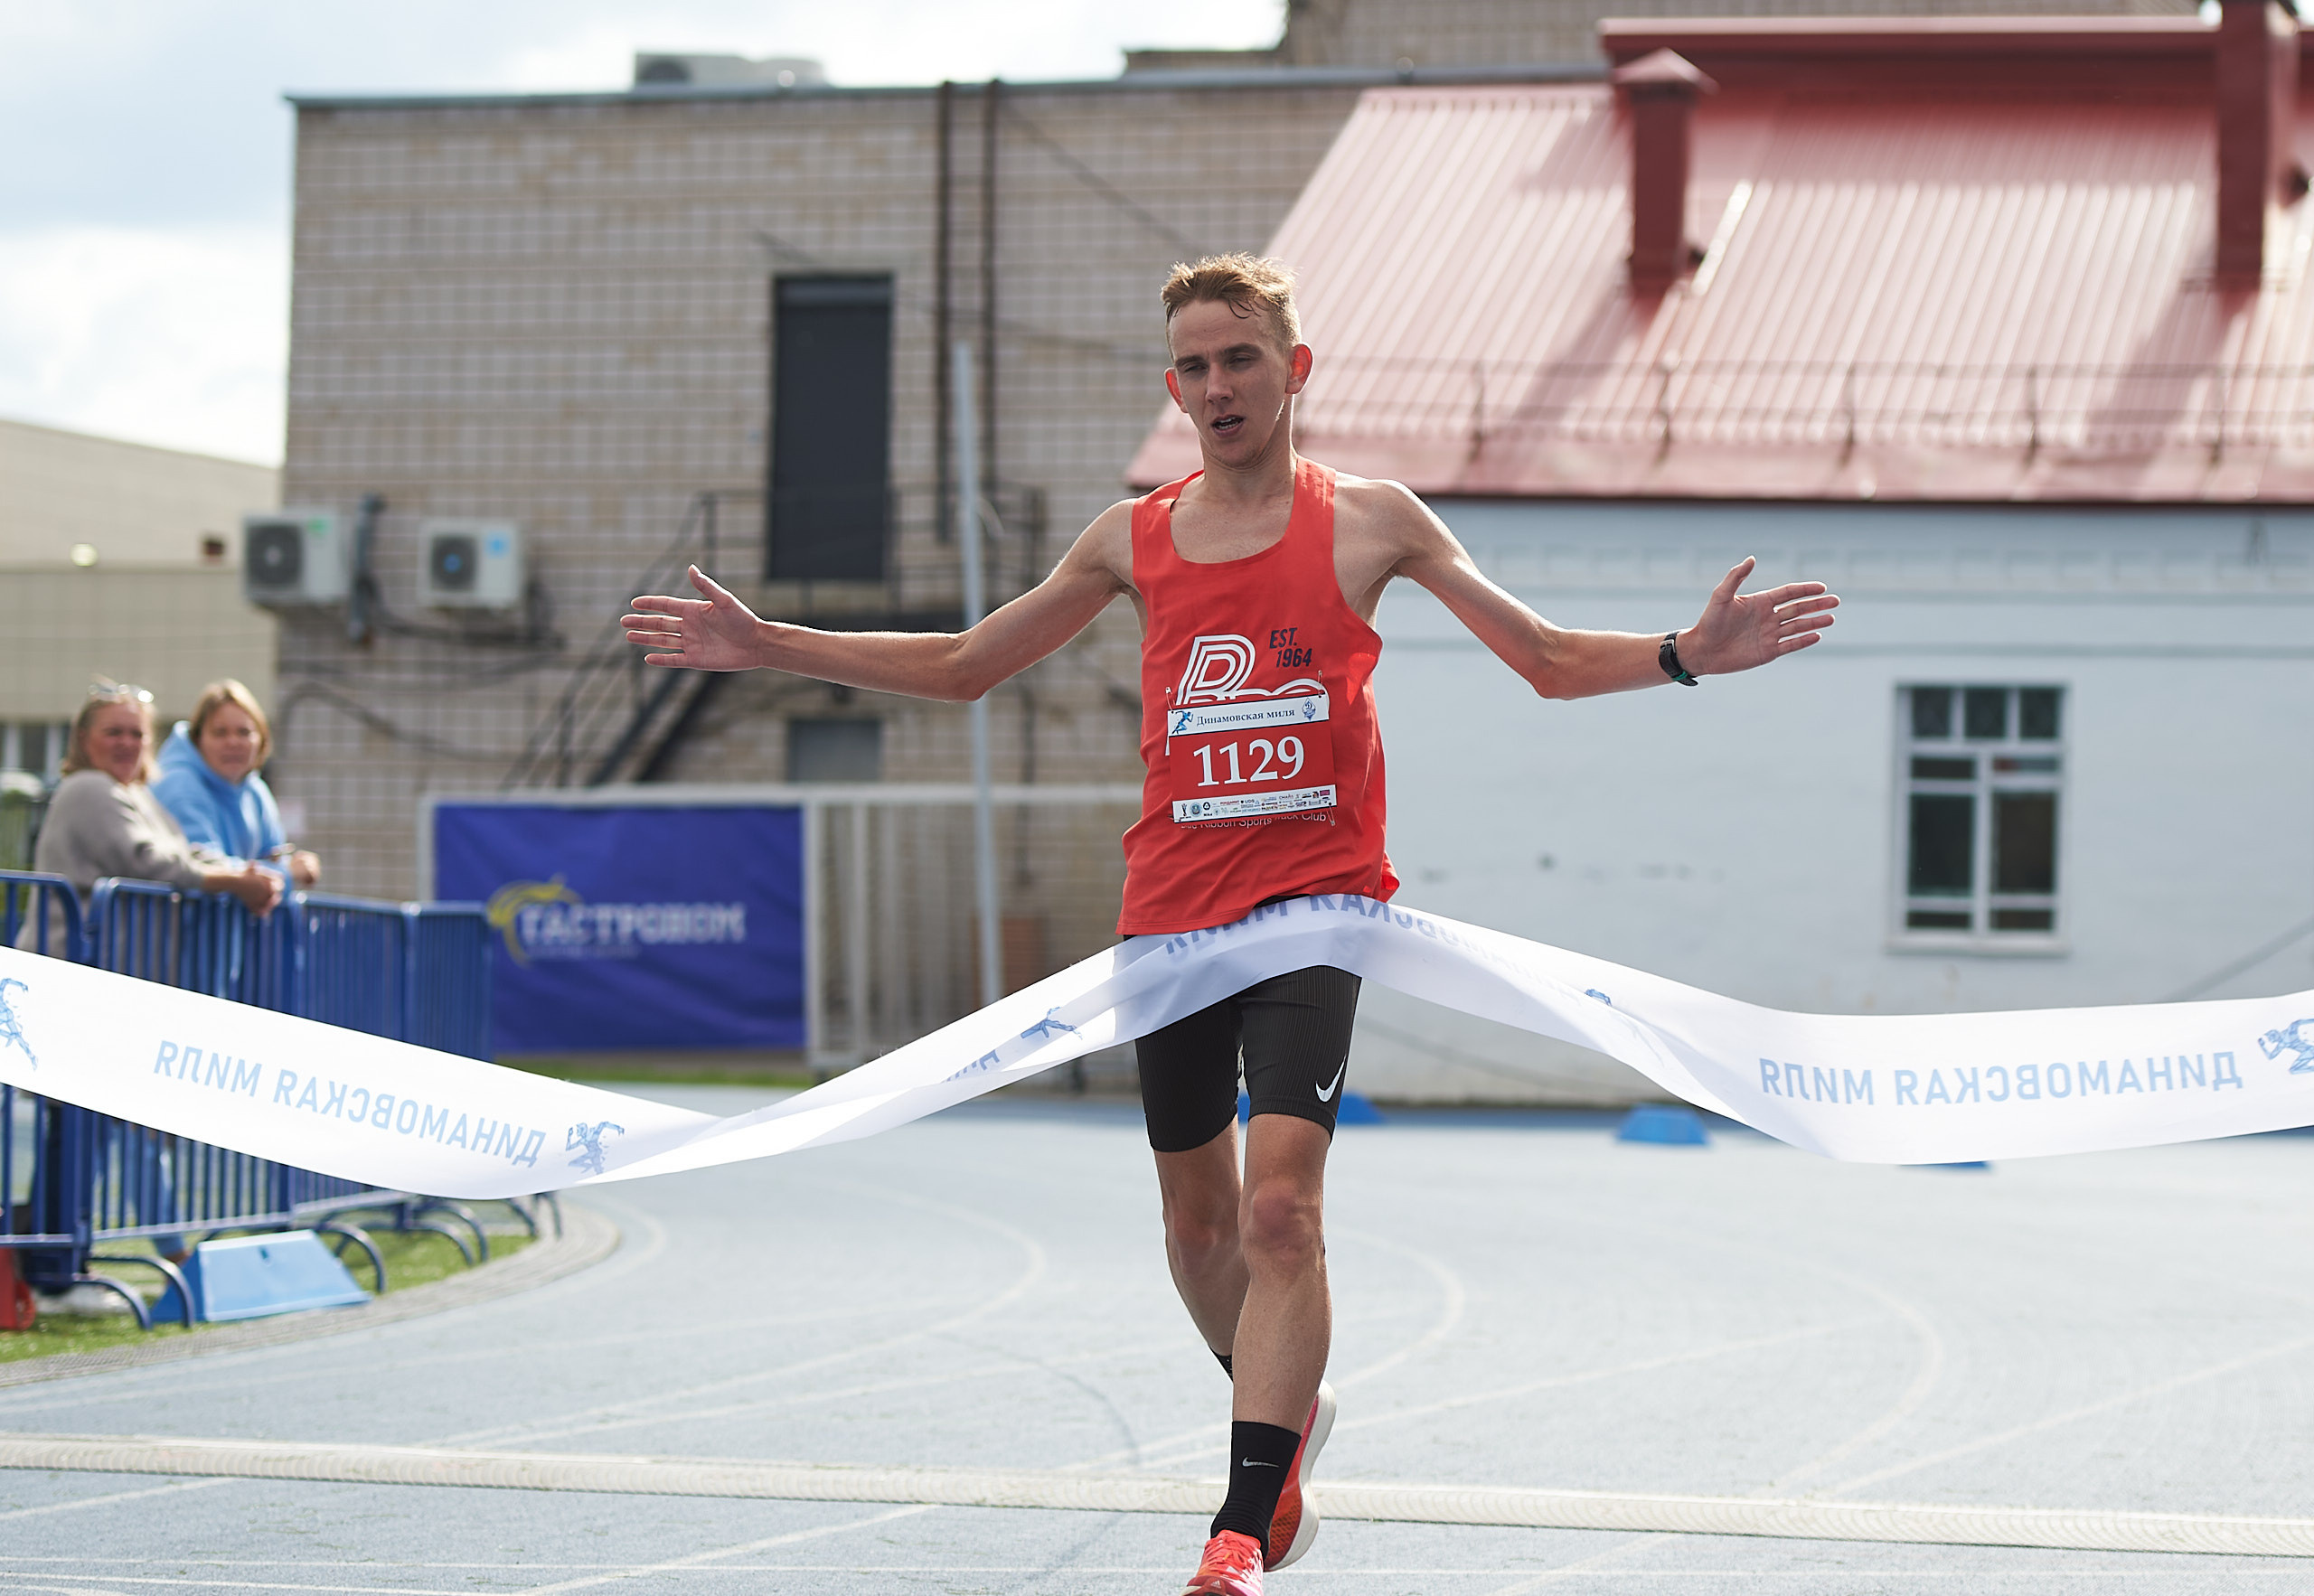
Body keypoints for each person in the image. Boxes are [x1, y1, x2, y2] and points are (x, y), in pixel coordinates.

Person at [623, 254, 1839, 1595]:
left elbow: (1544, 660)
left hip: (1315, 912)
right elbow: (969, 666)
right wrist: (770, 644)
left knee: (1278, 1210)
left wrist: (1682, 654)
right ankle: (1287, 1411)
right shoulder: (1128, 538)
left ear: (1292, 369)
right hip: (1173, 929)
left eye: (1240, 358)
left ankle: (1241, 1526)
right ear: (1175, 387)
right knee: (1197, 1231)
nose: (1218, 385)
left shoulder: (1371, 521)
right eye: (1194, 365)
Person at [152, 678, 323, 889]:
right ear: (198, 740)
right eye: (220, 733)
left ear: (262, 740)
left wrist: (293, 866)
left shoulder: (255, 789)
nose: (233, 742)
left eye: (244, 732)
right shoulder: (178, 785)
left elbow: (274, 857)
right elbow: (208, 869)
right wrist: (287, 874)